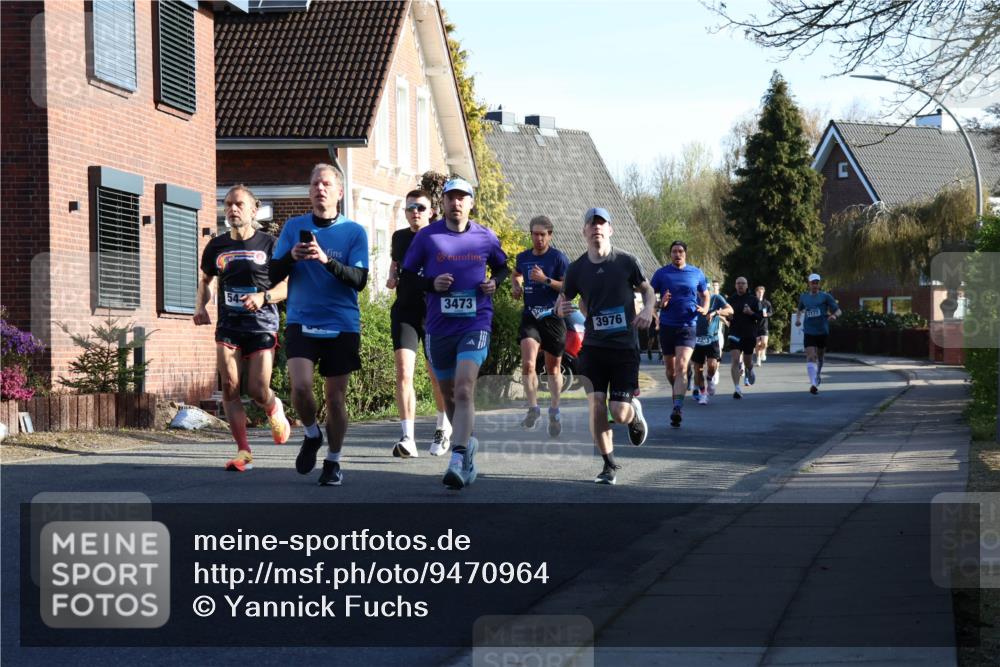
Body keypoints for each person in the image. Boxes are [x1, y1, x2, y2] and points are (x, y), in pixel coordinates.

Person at [401, 178, 509, 490]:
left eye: (462, 198)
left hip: (475, 322)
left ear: (471, 203)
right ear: (443, 203)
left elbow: (502, 267)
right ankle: (467, 443)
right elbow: (407, 277)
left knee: (463, 390)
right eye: (451, 198)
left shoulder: (485, 237)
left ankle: (458, 458)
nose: (456, 203)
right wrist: (430, 284)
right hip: (438, 327)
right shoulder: (426, 237)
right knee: (448, 396)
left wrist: (494, 283)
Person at [269, 164, 369, 486]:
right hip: (302, 319)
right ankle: (312, 434)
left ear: (339, 192)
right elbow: (271, 275)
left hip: (341, 323)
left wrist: (326, 261)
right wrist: (291, 259)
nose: (320, 189)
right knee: (300, 387)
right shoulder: (293, 228)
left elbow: (360, 280)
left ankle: (334, 460)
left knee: (336, 399)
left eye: (326, 184)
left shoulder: (354, 232)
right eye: (314, 184)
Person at [194, 184, 291, 472]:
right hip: (229, 324)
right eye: (227, 205)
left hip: (262, 323)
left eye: (238, 204)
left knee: (258, 389)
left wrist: (263, 297)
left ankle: (274, 408)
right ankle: (243, 452)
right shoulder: (217, 246)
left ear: (253, 209)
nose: (232, 209)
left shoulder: (270, 244)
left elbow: (287, 285)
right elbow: (206, 281)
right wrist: (200, 307)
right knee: (231, 388)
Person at [556, 207, 655, 485]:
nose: (597, 228)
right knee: (597, 405)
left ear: (610, 230)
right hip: (594, 347)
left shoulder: (626, 261)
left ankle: (633, 412)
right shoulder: (576, 269)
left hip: (624, 347)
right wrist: (562, 307)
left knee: (619, 413)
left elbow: (647, 289)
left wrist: (647, 309)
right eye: (592, 224)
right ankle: (609, 465)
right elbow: (563, 299)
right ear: (584, 231)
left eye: (602, 224)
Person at [385, 190, 451, 458]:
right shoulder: (400, 237)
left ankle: (442, 427)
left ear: (431, 212)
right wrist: (391, 276)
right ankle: (407, 437)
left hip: (434, 312)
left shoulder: (441, 236)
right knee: (403, 372)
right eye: (410, 207)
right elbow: (396, 263)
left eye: (421, 208)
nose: (415, 212)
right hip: (405, 311)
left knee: (436, 376)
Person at [512, 215, 570, 437]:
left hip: (553, 318)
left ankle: (554, 409)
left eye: (542, 235)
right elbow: (516, 273)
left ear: (550, 236)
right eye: (535, 234)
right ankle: (533, 408)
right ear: (531, 235)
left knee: (553, 369)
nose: (538, 238)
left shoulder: (559, 258)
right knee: (528, 364)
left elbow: (568, 287)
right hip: (531, 318)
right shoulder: (523, 257)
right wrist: (516, 286)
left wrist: (545, 279)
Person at [649, 241, 710, 427]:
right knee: (670, 370)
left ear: (685, 253)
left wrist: (705, 309)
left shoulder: (696, 273)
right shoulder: (661, 274)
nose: (678, 254)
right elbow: (650, 297)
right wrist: (660, 304)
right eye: (674, 251)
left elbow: (705, 294)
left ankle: (677, 407)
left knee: (681, 366)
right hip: (667, 326)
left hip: (688, 325)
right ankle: (679, 390)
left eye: (681, 251)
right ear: (670, 255)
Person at [794, 273, 842, 394]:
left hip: (822, 331)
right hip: (809, 331)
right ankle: (813, 383)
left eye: (817, 282)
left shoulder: (825, 296)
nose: (815, 285)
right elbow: (799, 309)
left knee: (820, 357)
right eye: (813, 282)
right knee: (810, 356)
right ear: (809, 284)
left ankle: (818, 374)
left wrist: (834, 316)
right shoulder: (804, 297)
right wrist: (798, 319)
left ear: (819, 284)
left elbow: (838, 310)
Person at [690, 283, 733, 405]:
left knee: (712, 365)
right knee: (698, 369)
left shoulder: (716, 298)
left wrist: (717, 312)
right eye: (698, 290)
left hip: (712, 339)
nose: (701, 292)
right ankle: (703, 394)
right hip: (696, 339)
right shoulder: (692, 300)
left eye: (704, 289)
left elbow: (730, 310)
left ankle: (709, 378)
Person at [725, 277, 762, 399]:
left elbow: (760, 317)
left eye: (743, 283)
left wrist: (751, 313)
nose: (740, 285)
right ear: (735, 285)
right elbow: (725, 316)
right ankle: (737, 387)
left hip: (749, 334)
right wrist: (728, 318)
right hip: (734, 333)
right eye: (738, 283)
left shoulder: (753, 300)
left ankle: (749, 369)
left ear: (747, 285)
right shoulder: (730, 300)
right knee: (735, 360)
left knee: (747, 361)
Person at [754, 285, 773, 366]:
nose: (760, 294)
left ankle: (763, 352)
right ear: (756, 293)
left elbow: (771, 312)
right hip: (755, 325)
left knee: (764, 343)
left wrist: (767, 314)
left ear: (763, 293)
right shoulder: (754, 302)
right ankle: (758, 358)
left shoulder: (767, 303)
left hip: (764, 325)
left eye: (761, 292)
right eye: (759, 292)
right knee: (757, 344)